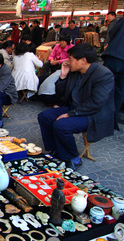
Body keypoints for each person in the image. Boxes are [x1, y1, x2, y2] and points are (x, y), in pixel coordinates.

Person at [37, 43, 114, 171]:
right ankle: (55, 149)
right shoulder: (75, 72)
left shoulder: (103, 75)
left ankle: (74, 157)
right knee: (44, 116)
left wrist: (69, 114)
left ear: (83, 60)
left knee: (61, 125)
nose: (68, 62)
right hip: (74, 108)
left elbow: (96, 103)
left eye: (71, 59)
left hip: (93, 114)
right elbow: (61, 96)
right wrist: (62, 76)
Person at [102, 15, 124, 130]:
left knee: (105, 87)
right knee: (119, 92)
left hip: (113, 55)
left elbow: (112, 32)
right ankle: (112, 121)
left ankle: (99, 117)